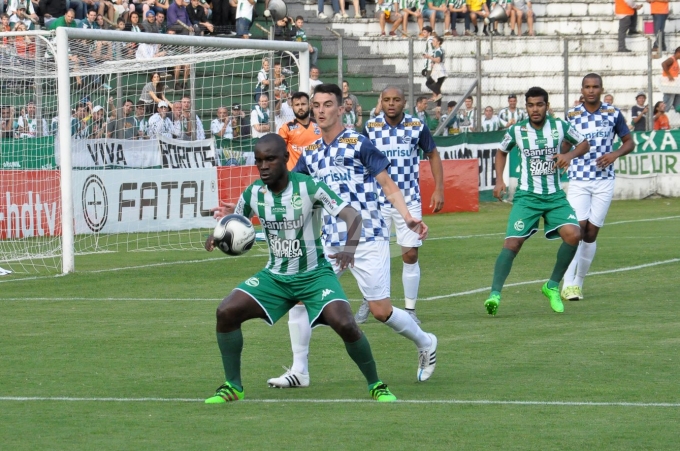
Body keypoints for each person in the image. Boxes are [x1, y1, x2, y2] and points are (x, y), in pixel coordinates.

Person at [263, 83, 437, 388]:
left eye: (328, 104)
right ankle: (299, 371)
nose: (320, 110)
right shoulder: (311, 153)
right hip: (330, 241)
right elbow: (291, 188)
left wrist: (408, 217)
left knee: (381, 310)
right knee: (301, 299)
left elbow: (387, 183)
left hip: (367, 236)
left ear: (342, 108)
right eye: (316, 105)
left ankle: (426, 342)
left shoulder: (360, 143)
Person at [204, 134, 398, 404]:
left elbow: (352, 215)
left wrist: (349, 249)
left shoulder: (309, 187)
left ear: (285, 158)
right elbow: (236, 222)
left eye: (270, 159)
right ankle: (233, 387)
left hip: (315, 275)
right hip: (276, 277)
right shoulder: (253, 193)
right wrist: (218, 235)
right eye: (259, 160)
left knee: (345, 324)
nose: (263, 166)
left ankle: (376, 384)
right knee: (226, 312)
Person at [484, 86, 590, 316]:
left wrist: (568, 155)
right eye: (531, 105)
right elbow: (501, 151)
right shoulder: (517, 131)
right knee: (512, 244)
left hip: (554, 196)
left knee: (574, 234)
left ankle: (551, 286)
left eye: (539, 104)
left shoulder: (560, 126)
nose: (535, 109)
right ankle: (494, 295)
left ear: (547, 106)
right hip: (527, 197)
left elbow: (584, 144)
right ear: (526, 107)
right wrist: (499, 180)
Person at [358, 86, 444, 325]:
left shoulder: (417, 126)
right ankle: (370, 299)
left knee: (410, 253)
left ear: (404, 102)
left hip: (408, 200)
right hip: (375, 201)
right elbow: (359, 159)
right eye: (386, 100)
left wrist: (439, 188)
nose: (391, 103)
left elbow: (433, 154)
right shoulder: (371, 127)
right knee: (373, 255)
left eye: (396, 99)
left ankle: (410, 309)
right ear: (381, 102)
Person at [561, 73, 635, 301]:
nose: (591, 90)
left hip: (604, 180)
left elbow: (629, 142)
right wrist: (564, 156)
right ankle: (567, 283)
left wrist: (614, 154)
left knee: (591, 234)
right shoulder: (572, 114)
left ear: (601, 89)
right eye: (587, 87)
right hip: (579, 179)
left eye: (595, 87)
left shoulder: (612, 113)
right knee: (576, 230)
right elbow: (565, 142)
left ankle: (579, 283)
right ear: (581, 90)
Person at [277, 91, 322, 170]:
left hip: (317, 171)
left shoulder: (320, 125)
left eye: (303, 104)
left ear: (309, 105)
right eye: (297, 105)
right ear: (292, 107)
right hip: (296, 175)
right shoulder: (286, 128)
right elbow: (279, 152)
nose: (300, 107)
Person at [424, 34, 446, 106]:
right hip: (441, 70)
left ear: (438, 42)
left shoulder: (438, 50)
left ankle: (438, 94)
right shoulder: (441, 50)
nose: (432, 42)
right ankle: (438, 106)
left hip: (438, 70)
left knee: (428, 83)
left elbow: (438, 60)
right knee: (437, 87)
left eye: (434, 40)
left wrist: (429, 57)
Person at [661, 47, 680, 112]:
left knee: (678, 102)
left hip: (674, 85)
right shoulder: (672, 59)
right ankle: (659, 115)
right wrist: (669, 75)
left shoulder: (676, 61)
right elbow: (663, 64)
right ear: (678, 52)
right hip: (668, 85)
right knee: (667, 104)